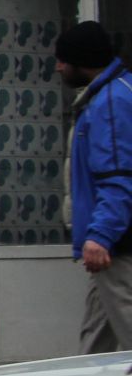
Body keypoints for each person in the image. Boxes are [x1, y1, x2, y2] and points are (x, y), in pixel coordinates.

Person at [56, 20, 132, 353]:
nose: (58, 66)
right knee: (96, 342)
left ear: (81, 60)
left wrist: (100, 235)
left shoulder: (111, 102)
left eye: (62, 59)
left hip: (119, 244)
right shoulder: (112, 94)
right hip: (115, 242)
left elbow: (118, 176)